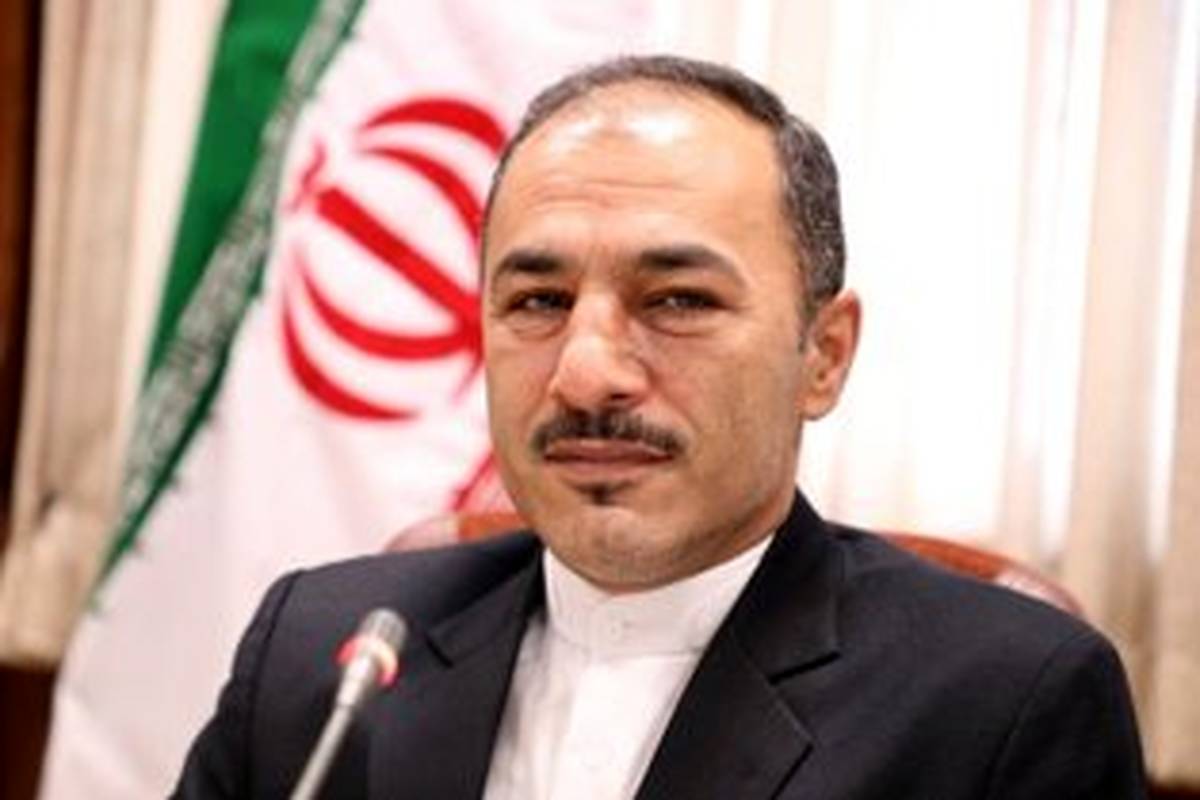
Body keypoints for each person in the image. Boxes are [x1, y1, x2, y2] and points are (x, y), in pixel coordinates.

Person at [172, 55, 1147, 799]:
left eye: (678, 299)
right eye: (538, 300)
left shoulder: (1003, 701)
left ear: (824, 355)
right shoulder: (324, 651)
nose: (586, 371)